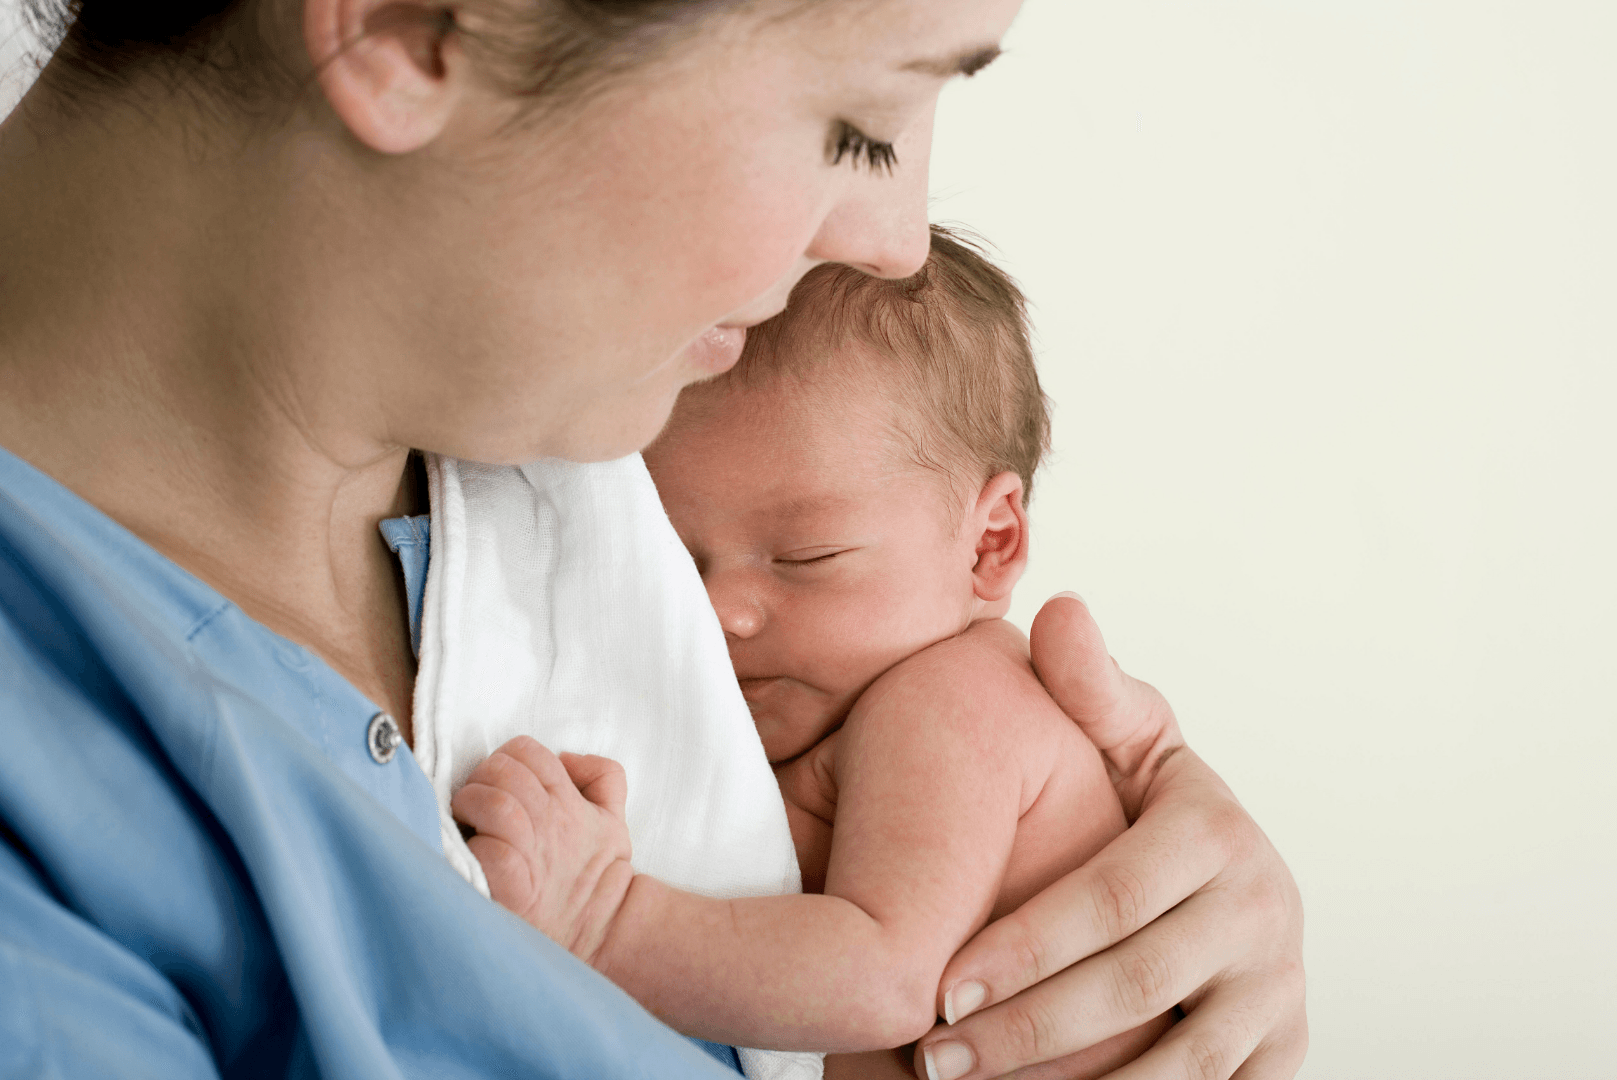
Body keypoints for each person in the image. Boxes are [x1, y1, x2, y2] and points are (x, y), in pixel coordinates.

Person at [0, 2, 1306, 1078]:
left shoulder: (599, 423)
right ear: (411, 23)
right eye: (852, 124)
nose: (894, 244)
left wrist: (1151, 946)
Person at [451, 226, 1175, 1078]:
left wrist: (604, 911)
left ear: (989, 544)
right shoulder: (817, 718)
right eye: (678, 564)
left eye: (803, 559)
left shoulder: (958, 699)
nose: (720, 611)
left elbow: (885, 978)